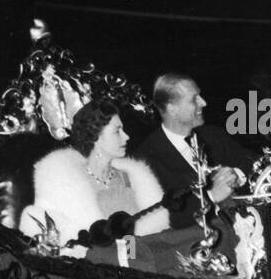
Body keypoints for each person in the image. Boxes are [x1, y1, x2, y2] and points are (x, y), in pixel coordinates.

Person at [19, 100, 170, 258]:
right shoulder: (64, 181)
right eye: (117, 131)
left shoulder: (131, 178)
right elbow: (50, 239)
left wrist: (131, 260)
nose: (126, 137)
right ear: (96, 137)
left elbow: (135, 245)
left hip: (136, 262)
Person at [132, 74, 256, 230]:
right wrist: (211, 197)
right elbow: (156, 218)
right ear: (172, 109)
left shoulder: (214, 135)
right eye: (194, 99)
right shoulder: (143, 160)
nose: (203, 103)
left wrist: (236, 174)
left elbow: (254, 161)